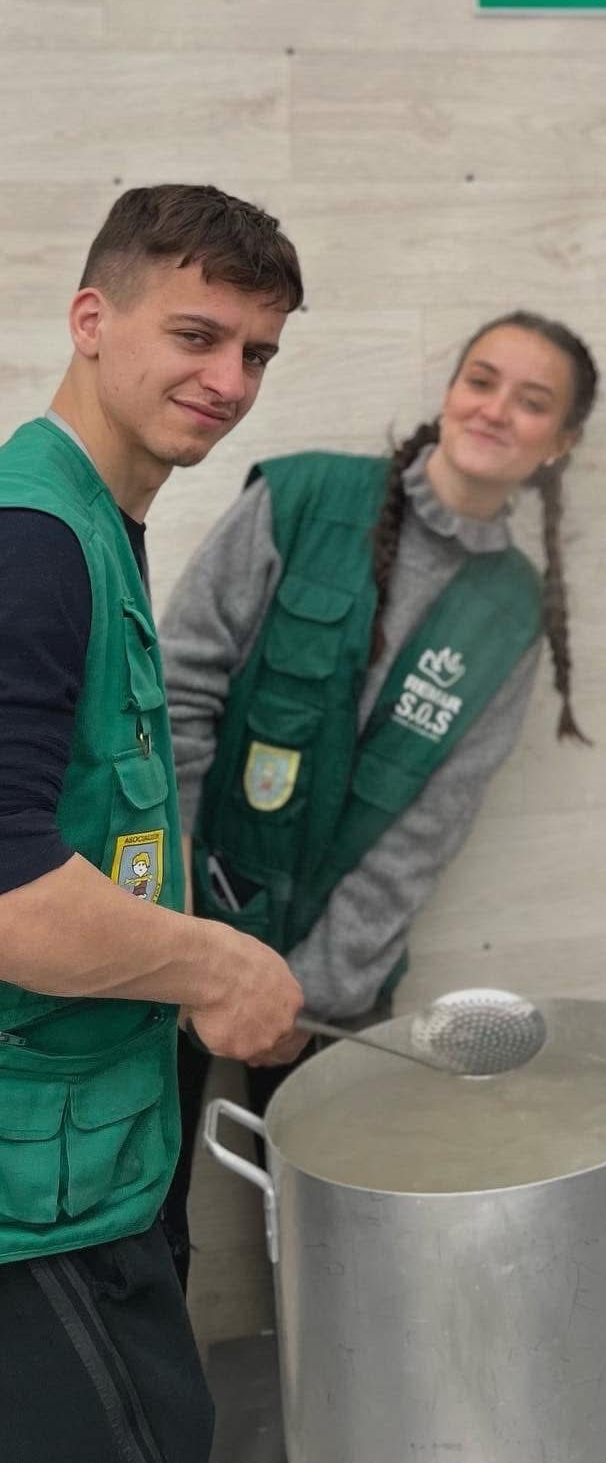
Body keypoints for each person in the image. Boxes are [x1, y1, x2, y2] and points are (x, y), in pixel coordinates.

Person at [158, 310, 599, 1284]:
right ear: (449, 391)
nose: (496, 410)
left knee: (329, 1250)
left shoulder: (509, 614)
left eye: (533, 403)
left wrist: (304, 992)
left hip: (332, 987)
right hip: (178, 922)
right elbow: (175, 696)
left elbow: (426, 832)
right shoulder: (304, 499)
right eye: (481, 380)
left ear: (559, 443)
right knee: (144, 1224)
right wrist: (183, 938)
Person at [0, 184, 308, 1463]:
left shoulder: (98, 525)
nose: (229, 381)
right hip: (32, 1215)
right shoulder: (32, 547)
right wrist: (216, 965)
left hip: (94, 1160)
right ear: (91, 319)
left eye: (257, 354)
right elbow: (8, 894)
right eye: (196, 335)